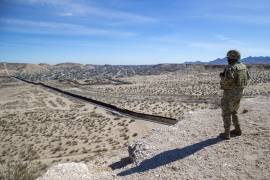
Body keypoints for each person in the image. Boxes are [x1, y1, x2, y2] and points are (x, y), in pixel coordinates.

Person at [219, 50, 250, 140]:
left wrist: (222, 77)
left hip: (229, 94)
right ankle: (237, 130)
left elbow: (226, 82)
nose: (227, 59)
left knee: (226, 113)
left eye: (228, 57)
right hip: (239, 93)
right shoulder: (243, 66)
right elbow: (247, 78)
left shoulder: (231, 68)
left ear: (232, 58)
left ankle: (227, 134)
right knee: (234, 112)